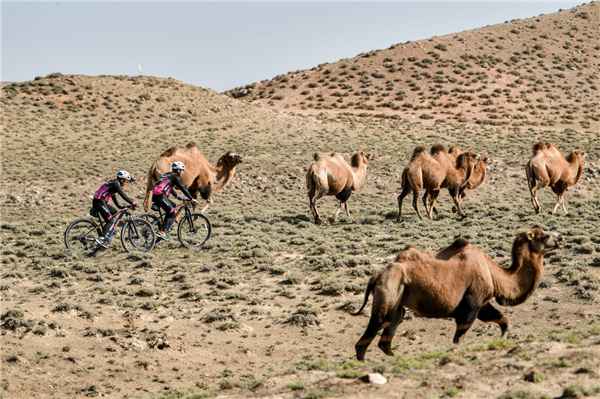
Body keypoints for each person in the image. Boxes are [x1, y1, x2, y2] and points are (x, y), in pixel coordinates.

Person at [151, 161, 197, 240]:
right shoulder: (175, 176)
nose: (182, 172)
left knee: (174, 206)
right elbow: (183, 188)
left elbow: (169, 187)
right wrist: (191, 198)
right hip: (160, 195)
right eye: (182, 170)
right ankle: (163, 232)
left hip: (157, 195)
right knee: (172, 212)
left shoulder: (168, 175)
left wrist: (177, 196)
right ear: (178, 170)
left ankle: (163, 226)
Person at [92, 170, 137, 248]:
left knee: (115, 213)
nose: (126, 183)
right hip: (99, 202)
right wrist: (132, 202)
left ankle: (106, 235)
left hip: (101, 202)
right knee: (111, 220)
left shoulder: (114, 183)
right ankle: (102, 238)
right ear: (122, 179)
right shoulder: (116, 184)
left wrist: (119, 206)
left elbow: (113, 196)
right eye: (126, 181)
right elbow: (123, 195)